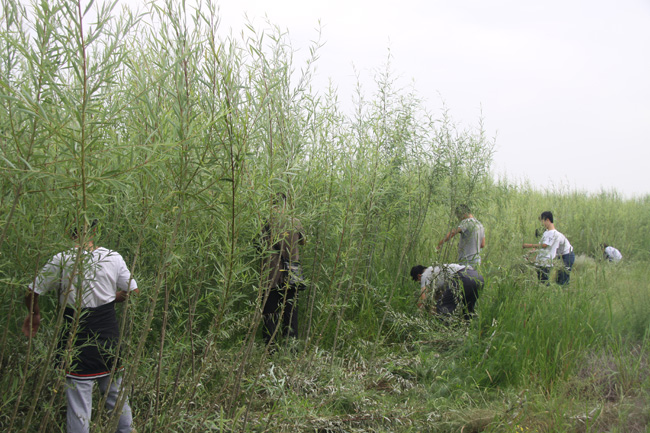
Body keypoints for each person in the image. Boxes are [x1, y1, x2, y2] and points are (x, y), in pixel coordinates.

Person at [22, 219, 138, 433]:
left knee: (79, 405)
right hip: (108, 337)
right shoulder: (112, 257)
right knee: (116, 395)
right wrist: (113, 297)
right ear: (96, 231)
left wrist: (34, 314)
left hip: (75, 337)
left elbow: (32, 291)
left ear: (69, 233)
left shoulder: (62, 259)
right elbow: (132, 289)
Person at [261, 193, 306, 345]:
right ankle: (291, 351)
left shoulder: (264, 222)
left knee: (270, 316)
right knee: (290, 316)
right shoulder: (295, 222)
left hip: (270, 276)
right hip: (291, 276)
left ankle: (270, 351)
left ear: (271, 204)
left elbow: (257, 246)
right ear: (285, 204)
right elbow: (303, 241)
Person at [410, 263, 484, 320]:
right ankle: (468, 331)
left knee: (443, 308)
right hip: (477, 277)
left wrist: (421, 315)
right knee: (467, 310)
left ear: (419, 276)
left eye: (419, 281)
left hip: (463, 277)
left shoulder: (424, 275)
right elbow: (442, 296)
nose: (421, 283)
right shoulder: (436, 271)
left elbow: (422, 300)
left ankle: (445, 333)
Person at [522, 211, 561, 284]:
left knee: (545, 283)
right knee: (541, 282)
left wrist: (528, 245)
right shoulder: (546, 232)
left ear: (547, 220)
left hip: (546, 262)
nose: (542, 224)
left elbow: (544, 245)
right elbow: (539, 246)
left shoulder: (554, 233)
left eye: (542, 221)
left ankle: (548, 294)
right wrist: (529, 254)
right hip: (540, 262)